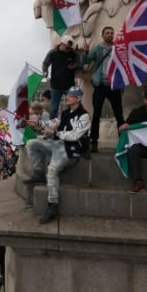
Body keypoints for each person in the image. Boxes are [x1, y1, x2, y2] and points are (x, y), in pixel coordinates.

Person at [23, 87, 91, 224]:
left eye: (71, 96)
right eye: (67, 95)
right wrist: (39, 123)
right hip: (57, 144)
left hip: (71, 149)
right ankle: (38, 173)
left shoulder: (84, 116)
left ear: (78, 99)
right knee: (31, 144)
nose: (67, 98)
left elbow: (75, 135)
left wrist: (55, 134)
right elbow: (53, 123)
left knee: (52, 170)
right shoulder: (65, 113)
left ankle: (53, 205)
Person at [81, 26, 125, 152]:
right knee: (96, 114)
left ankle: (123, 141)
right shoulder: (97, 49)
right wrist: (85, 52)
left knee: (119, 114)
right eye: (107, 33)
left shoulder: (118, 49)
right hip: (100, 85)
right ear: (103, 35)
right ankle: (93, 141)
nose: (110, 35)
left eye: (112, 33)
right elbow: (86, 61)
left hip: (114, 85)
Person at [41, 35, 81, 119]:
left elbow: (80, 65)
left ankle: (70, 125)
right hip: (56, 86)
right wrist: (45, 71)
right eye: (67, 47)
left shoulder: (73, 53)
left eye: (69, 48)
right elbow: (45, 63)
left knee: (72, 107)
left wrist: (75, 66)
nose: (68, 49)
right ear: (62, 44)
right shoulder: (52, 52)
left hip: (69, 85)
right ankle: (52, 128)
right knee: (54, 109)